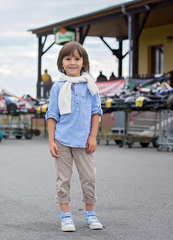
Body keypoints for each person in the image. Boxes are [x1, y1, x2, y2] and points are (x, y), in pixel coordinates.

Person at [45, 41, 103, 232]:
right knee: (63, 179)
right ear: (61, 63)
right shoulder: (57, 87)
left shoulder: (90, 86)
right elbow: (52, 115)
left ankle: (90, 213)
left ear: (84, 62)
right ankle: (65, 215)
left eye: (77, 59)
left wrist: (93, 136)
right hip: (62, 139)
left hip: (84, 141)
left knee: (89, 178)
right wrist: (52, 141)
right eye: (68, 58)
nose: (72, 62)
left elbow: (96, 112)